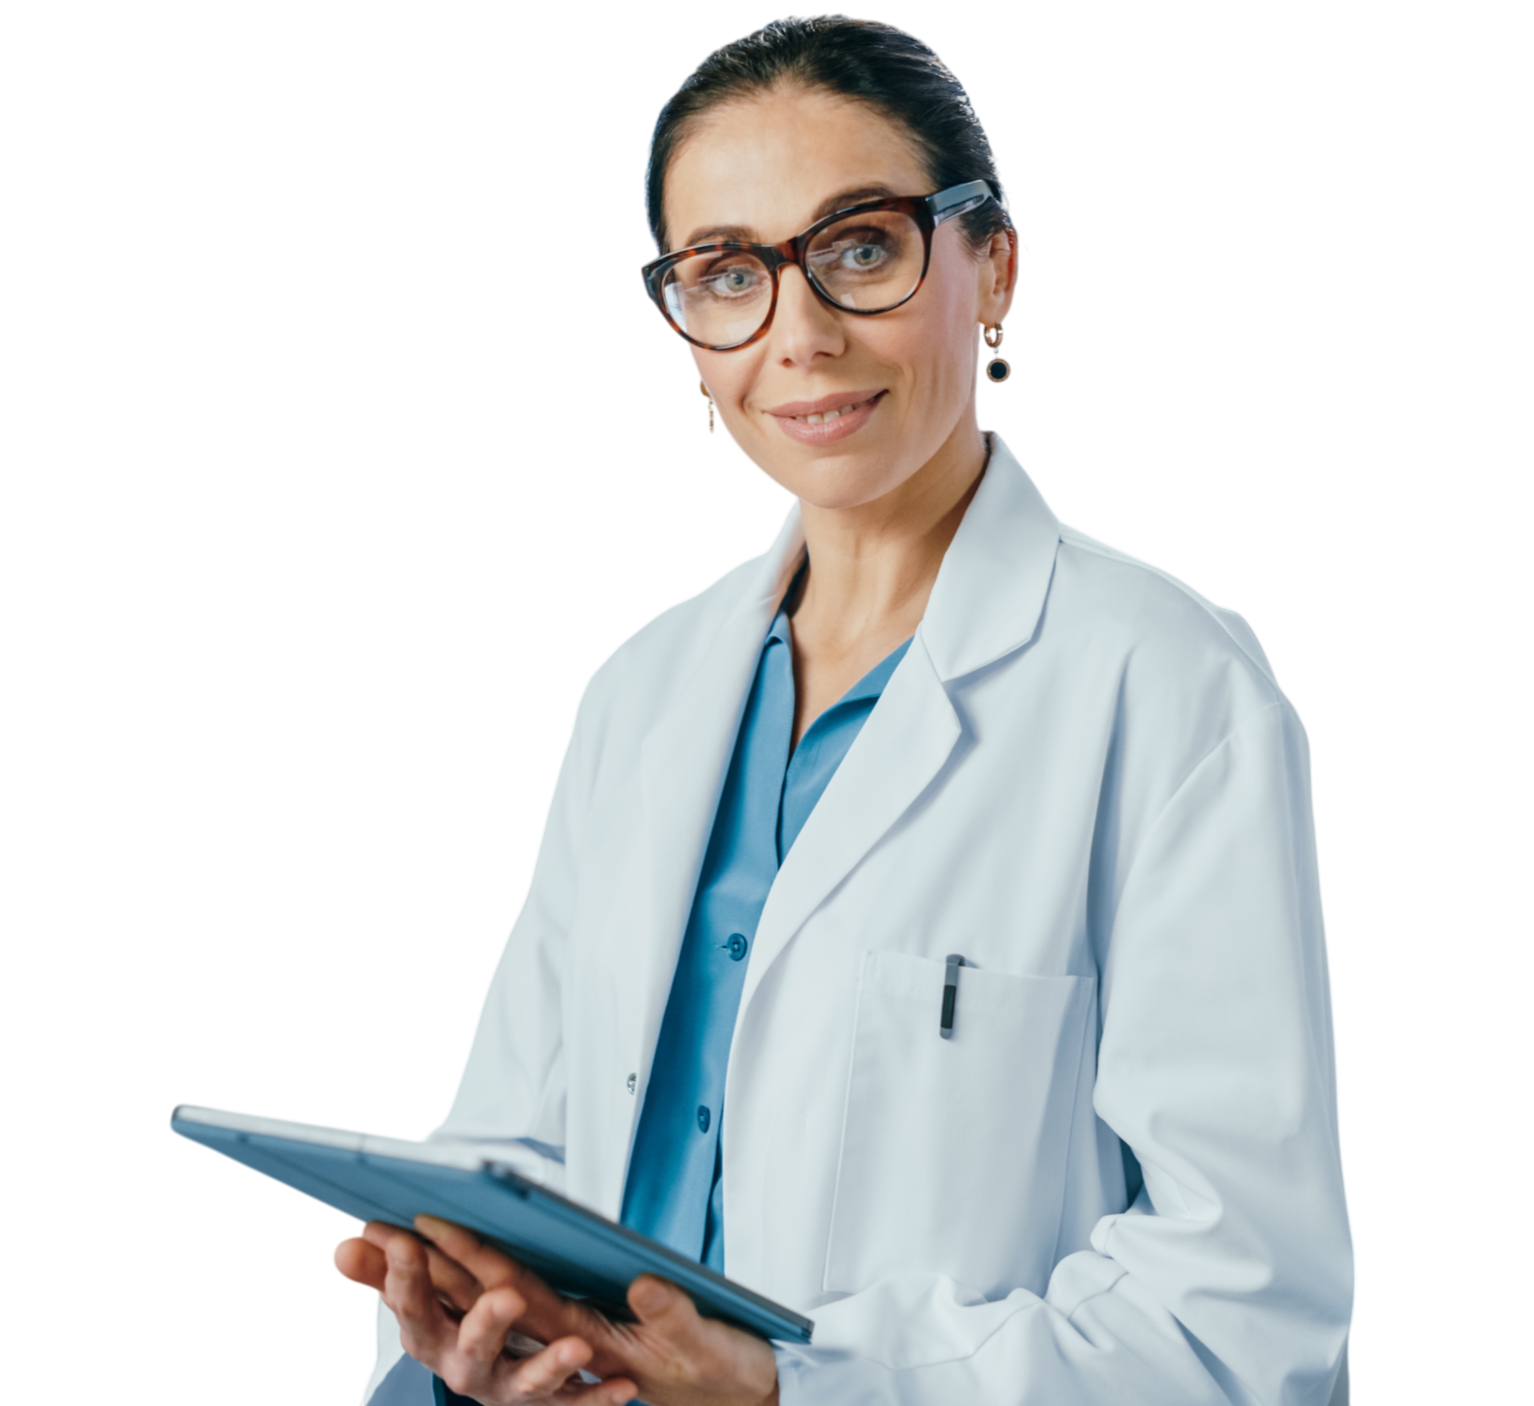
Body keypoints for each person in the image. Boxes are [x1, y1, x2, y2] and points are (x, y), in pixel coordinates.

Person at [335, 16, 1354, 1405]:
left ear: (994, 268)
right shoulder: (642, 688)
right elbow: (518, 1143)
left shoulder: (1170, 687)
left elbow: (1240, 1315)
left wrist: (790, 1387)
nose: (800, 337)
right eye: (727, 274)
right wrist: (466, 1329)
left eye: (861, 248)